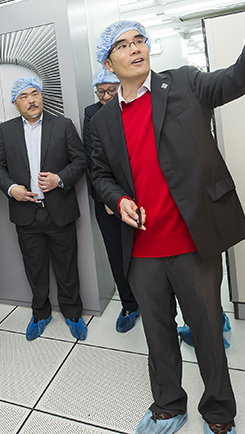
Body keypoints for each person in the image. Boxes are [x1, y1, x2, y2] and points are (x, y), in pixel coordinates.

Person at [89, 0, 245, 434]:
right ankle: (168, 406)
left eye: (140, 39)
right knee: (158, 335)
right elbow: (99, 175)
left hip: (192, 240)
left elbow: (242, 77)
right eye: (124, 44)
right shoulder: (102, 120)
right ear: (109, 62)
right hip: (142, 250)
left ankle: (220, 413)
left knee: (208, 332)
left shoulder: (185, 84)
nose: (136, 47)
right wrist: (118, 200)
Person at [0, 76, 90, 341]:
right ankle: (40, 313)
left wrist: (59, 179)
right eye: (24, 97)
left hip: (59, 209)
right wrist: (12, 189)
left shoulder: (63, 125)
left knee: (67, 266)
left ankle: (72, 314)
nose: (31, 100)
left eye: (35, 94)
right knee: (34, 268)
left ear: (42, 96)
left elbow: (81, 160)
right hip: (26, 212)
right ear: (15, 103)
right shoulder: (5, 131)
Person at [83, 67, 140, 333]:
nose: (105, 97)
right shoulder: (92, 114)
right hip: (107, 198)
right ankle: (129, 304)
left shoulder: (136, 105)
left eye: (110, 90)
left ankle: (155, 301)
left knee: (146, 253)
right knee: (117, 255)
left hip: (141, 193)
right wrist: (109, 196)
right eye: (100, 92)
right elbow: (92, 159)